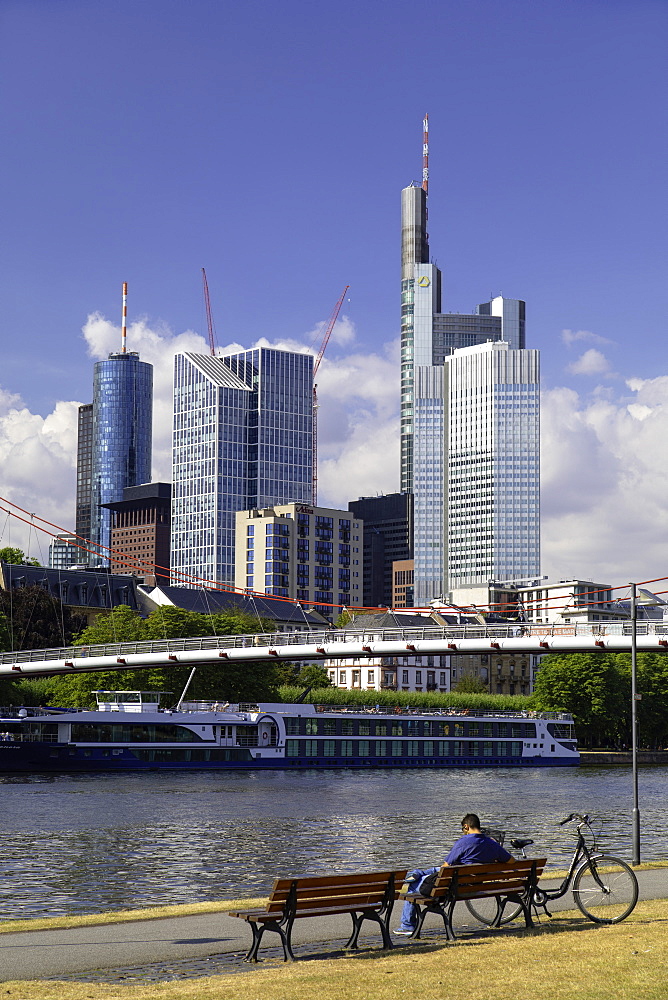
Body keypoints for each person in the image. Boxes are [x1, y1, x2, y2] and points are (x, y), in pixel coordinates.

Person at [393, 813, 512, 935]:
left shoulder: (463, 842)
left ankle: (407, 925)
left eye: (463, 829)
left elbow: (446, 866)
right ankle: (417, 873)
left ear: (466, 827)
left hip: (453, 887)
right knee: (435, 871)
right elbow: (511, 861)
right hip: (472, 884)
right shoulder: (492, 844)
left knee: (413, 885)